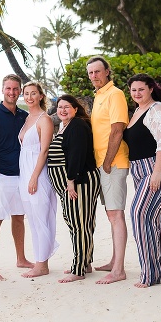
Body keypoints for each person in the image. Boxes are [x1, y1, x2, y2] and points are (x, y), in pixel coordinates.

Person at [123, 74, 161, 288]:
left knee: (140, 214)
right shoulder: (137, 112)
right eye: (133, 90)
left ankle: (150, 274)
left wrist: (157, 172)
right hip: (139, 170)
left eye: (141, 89)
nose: (137, 93)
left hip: (159, 167)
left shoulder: (156, 109)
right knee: (159, 216)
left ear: (150, 89)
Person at [0, 75, 33, 280]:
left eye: (15, 89)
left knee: (19, 217)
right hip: (1, 178)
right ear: (2, 90)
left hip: (22, 175)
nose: (12, 92)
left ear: (20, 90)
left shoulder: (24, 115)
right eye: (8, 88)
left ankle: (21, 258)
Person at [47, 94, 101, 283]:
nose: (62, 110)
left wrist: (71, 180)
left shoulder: (77, 125)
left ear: (76, 109)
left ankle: (78, 269)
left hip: (80, 181)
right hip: (73, 182)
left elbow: (76, 154)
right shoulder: (67, 126)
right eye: (59, 107)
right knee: (80, 223)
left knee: (79, 224)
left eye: (67, 106)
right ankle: (84, 262)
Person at [86, 55, 129, 284]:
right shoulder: (99, 95)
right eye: (91, 73)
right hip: (102, 163)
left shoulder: (115, 94)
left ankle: (119, 270)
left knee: (116, 215)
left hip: (113, 163)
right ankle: (114, 261)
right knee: (111, 214)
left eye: (97, 72)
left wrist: (107, 162)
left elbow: (117, 130)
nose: (94, 76)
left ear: (107, 72)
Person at [18, 82, 59, 278]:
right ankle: (38, 260)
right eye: (26, 94)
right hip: (24, 174)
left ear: (41, 96)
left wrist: (34, 177)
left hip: (38, 174)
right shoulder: (27, 118)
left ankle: (43, 265)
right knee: (33, 219)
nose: (29, 97)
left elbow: (44, 151)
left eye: (33, 93)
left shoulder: (45, 120)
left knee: (42, 217)